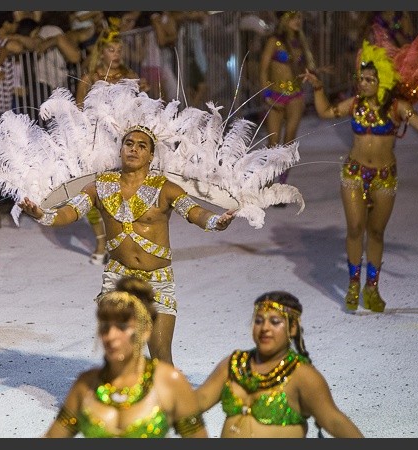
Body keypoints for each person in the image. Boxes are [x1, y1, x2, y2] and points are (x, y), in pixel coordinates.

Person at [19, 125, 236, 365]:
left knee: (161, 355)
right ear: (121, 149)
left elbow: (197, 214)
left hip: (157, 281)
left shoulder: (166, 189)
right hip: (118, 278)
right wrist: (42, 215)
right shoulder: (99, 187)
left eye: (142, 146)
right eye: (129, 144)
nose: (134, 149)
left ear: (151, 156)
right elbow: (69, 213)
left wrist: (217, 222)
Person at [302, 40, 418, 312]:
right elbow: (326, 111)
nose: (362, 83)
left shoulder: (397, 107)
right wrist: (318, 88)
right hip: (353, 172)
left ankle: (372, 288)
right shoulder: (354, 104)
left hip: (384, 177)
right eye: (361, 78)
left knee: (376, 232)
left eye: (369, 79)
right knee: (355, 228)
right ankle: (353, 284)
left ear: (383, 81)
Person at [44, 276, 208, 438]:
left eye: (122, 327)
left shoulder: (169, 382)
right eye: (105, 327)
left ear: (145, 331)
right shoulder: (85, 386)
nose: (111, 336)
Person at [189, 291, 364, 437]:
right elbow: (195, 403)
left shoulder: (302, 375)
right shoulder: (234, 365)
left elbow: (335, 422)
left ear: (293, 328)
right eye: (258, 321)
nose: (264, 328)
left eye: (275, 322)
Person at [74, 21, 147, 265]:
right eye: (111, 50)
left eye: (119, 50)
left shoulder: (130, 76)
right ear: (101, 52)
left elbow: (144, 108)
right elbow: (78, 110)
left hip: (125, 145)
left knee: (126, 193)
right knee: (94, 194)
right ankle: (100, 241)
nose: (116, 54)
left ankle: (124, 241)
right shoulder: (89, 78)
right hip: (96, 144)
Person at [258, 11, 317, 193]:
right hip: (275, 94)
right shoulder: (273, 41)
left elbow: (304, 68)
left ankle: (282, 183)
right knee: (273, 142)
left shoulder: (301, 42)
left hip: (295, 95)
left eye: (300, 17)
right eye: (294, 18)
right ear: (285, 20)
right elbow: (263, 68)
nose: (298, 21)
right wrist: (266, 93)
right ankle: (267, 182)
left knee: (289, 141)